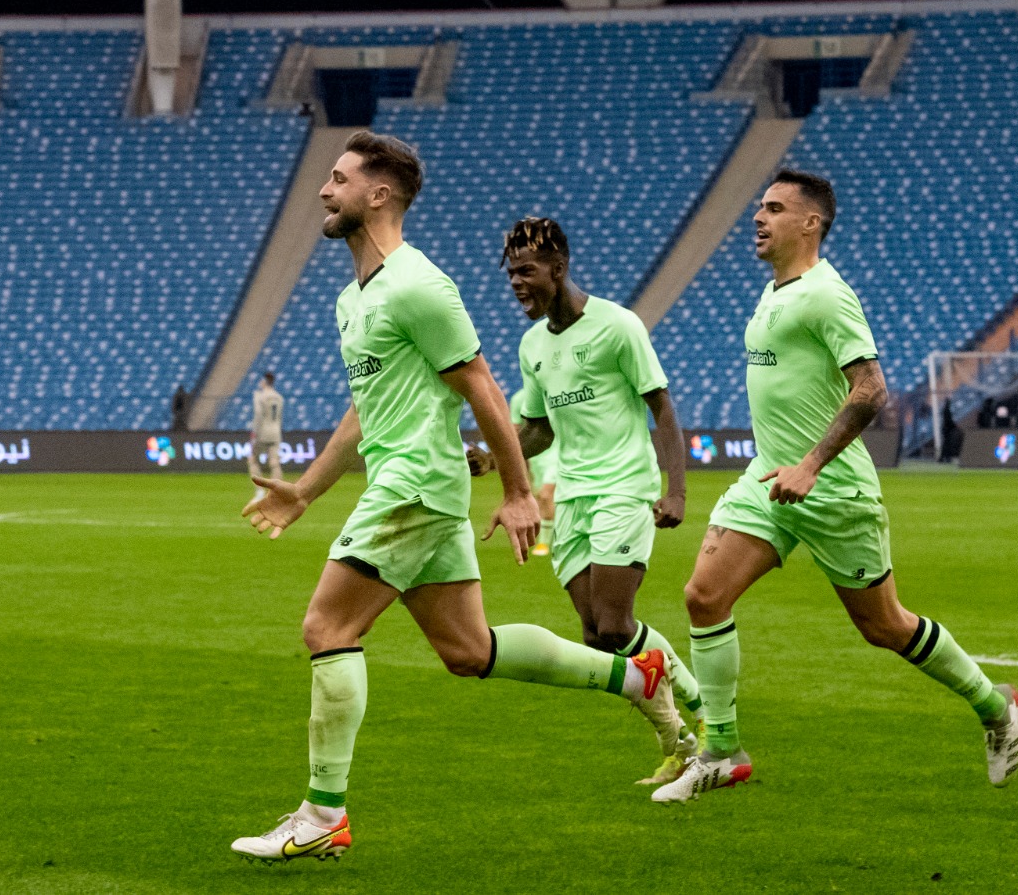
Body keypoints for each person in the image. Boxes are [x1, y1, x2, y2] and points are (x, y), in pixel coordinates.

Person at [230, 132, 682, 864]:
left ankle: (323, 814)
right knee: (470, 651)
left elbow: (482, 386)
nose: (324, 190)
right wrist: (305, 491)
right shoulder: (354, 298)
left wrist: (518, 490)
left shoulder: (418, 285)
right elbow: (365, 410)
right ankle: (635, 675)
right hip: (416, 487)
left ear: (379, 194)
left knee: (326, 626)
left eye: (339, 178)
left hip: (413, 485)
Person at [652, 169, 1018, 803]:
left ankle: (995, 706)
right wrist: (788, 465)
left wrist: (812, 464)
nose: (758, 217)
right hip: (767, 480)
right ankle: (723, 752)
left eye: (774, 208)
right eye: (759, 206)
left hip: (833, 491)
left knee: (884, 626)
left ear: (810, 223)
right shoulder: (774, 293)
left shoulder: (827, 295)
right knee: (704, 596)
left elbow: (871, 389)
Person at [470, 217, 702, 786]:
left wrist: (675, 489)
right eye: (511, 273)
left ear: (559, 268)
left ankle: (702, 707)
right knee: (595, 636)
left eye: (526, 271)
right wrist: (493, 459)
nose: (516, 282)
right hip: (573, 496)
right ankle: (681, 743)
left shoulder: (618, 326)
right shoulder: (532, 346)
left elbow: (662, 407)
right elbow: (539, 429)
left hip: (624, 486)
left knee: (616, 626)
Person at [507, 388, 557, 556]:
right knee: (542, 498)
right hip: (537, 456)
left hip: (559, 452)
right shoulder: (519, 399)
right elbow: (515, 431)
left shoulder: (557, 390)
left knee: (545, 495)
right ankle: (559, 533)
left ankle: (543, 543)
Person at [247, 373, 284, 498]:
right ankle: (276, 492)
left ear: (264, 382)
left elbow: (258, 415)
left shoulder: (260, 396)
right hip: (275, 432)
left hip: (263, 432)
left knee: (253, 459)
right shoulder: (279, 397)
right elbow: (279, 417)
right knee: (275, 462)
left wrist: (254, 433)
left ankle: (260, 490)